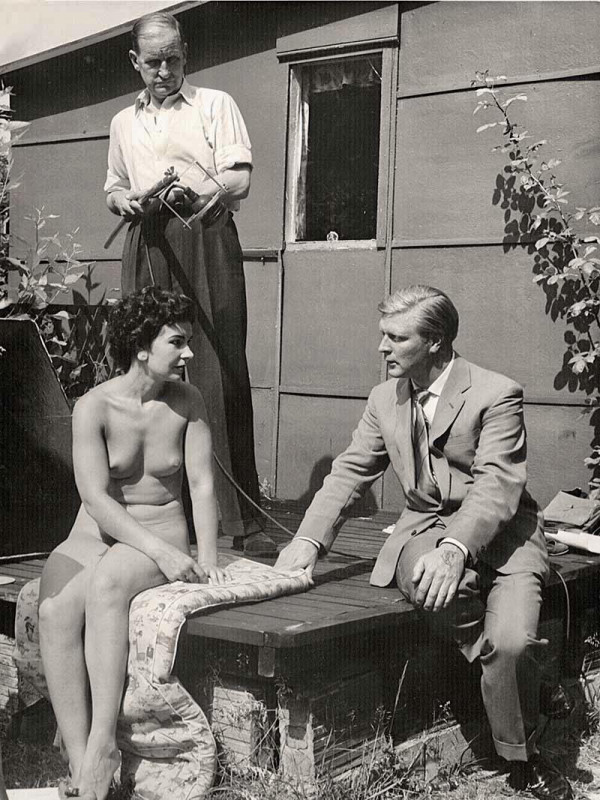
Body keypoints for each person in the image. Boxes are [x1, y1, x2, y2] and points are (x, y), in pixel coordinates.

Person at [275, 285, 572, 800]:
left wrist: (455, 550)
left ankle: (520, 689)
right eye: (382, 336)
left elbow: (497, 486)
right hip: (423, 529)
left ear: (435, 341)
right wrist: (309, 539)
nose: (382, 348)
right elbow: (349, 473)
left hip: (505, 533)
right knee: (434, 589)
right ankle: (523, 731)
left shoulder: (497, 392)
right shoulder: (383, 398)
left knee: (515, 642)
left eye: (396, 338)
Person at [38, 287, 229, 800]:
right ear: (142, 347)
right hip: (96, 528)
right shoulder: (94, 406)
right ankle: (80, 763)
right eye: (177, 342)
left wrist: (205, 558)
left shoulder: (188, 401)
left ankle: (104, 741)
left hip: (161, 525)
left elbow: (201, 485)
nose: (189, 353)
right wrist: (162, 555)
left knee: (106, 586)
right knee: (53, 610)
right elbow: (95, 498)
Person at [104, 11, 276, 557]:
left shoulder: (214, 104)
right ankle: (152, 507)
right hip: (147, 239)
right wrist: (126, 200)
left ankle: (241, 519)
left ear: (186, 55)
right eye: (152, 62)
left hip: (203, 232)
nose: (163, 71)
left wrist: (202, 189)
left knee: (217, 367)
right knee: (146, 364)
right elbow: (113, 187)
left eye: (172, 59)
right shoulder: (122, 122)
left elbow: (239, 178)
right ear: (135, 61)